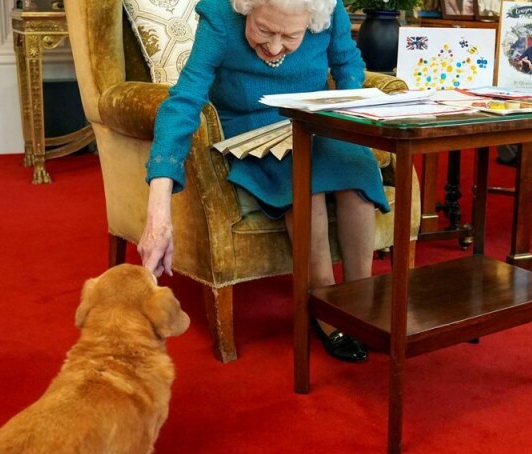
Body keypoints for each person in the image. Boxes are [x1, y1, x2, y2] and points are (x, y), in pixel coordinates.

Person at [141, 0, 387, 363]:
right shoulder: (221, 17)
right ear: (246, 8)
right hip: (250, 127)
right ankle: (323, 305)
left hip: (315, 121)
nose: (274, 47)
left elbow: (348, 64)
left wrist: (346, 116)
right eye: (263, 30)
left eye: (290, 36)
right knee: (307, 184)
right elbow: (183, 100)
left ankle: (360, 300)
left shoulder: (329, 10)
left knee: (357, 172)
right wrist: (158, 205)